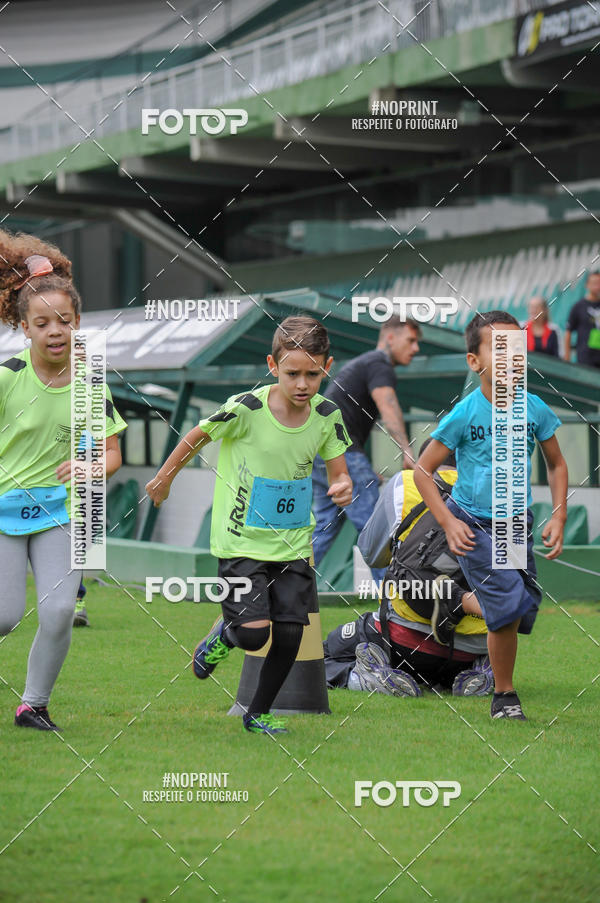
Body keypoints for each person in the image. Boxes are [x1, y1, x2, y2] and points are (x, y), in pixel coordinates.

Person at [146, 316, 352, 735]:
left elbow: (338, 471)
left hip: (293, 543)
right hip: (240, 542)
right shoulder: (247, 408)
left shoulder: (328, 415)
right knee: (256, 636)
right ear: (272, 366)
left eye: (313, 374)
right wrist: (165, 477)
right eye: (292, 373)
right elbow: (196, 436)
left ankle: (257, 713)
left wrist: (343, 486)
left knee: (292, 635)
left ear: (327, 367)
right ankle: (225, 634)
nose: (303, 384)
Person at [0, 229, 127, 731]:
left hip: (62, 512)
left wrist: (92, 467)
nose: (56, 331)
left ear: (78, 324)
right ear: (24, 328)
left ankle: (34, 704)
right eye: (43, 323)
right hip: (4, 511)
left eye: (65, 321)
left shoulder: (92, 382)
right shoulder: (7, 377)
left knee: (57, 613)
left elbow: (113, 453)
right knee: (5, 617)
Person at [415, 310, 568, 720]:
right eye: (499, 349)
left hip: (515, 525)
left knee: (521, 607)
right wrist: (448, 522)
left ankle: (461, 608)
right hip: (472, 523)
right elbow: (422, 469)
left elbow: (556, 464)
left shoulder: (534, 408)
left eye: (518, 349)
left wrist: (558, 515)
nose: (512, 358)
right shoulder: (464, 413)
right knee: (506, 603)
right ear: (474, 361)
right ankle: (504, 697)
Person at [324, 446, 492, 698]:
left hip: (403, 638)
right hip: (476, 646)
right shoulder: (503, 496)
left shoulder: (406, 484)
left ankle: (364, 678)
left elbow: (371, 554)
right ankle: (481, 672)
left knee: (328, 649)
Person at [311, 316, 420, 572]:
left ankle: (282, 588)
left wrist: (364, 471)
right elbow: (388, 408)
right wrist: (408, 451)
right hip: (341, 453)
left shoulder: (364, 364)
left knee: (324, 527)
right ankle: (392, 605)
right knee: (377, 531)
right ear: (390, 337)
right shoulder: (379, 363)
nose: (416, 349)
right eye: (411, 340)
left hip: (321, 452)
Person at [564, 271, 600, 368]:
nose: (597, 286)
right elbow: (568, 331)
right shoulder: (579, 306)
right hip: (585, 357)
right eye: (594, 283)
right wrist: (567, 357)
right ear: (587, 285)